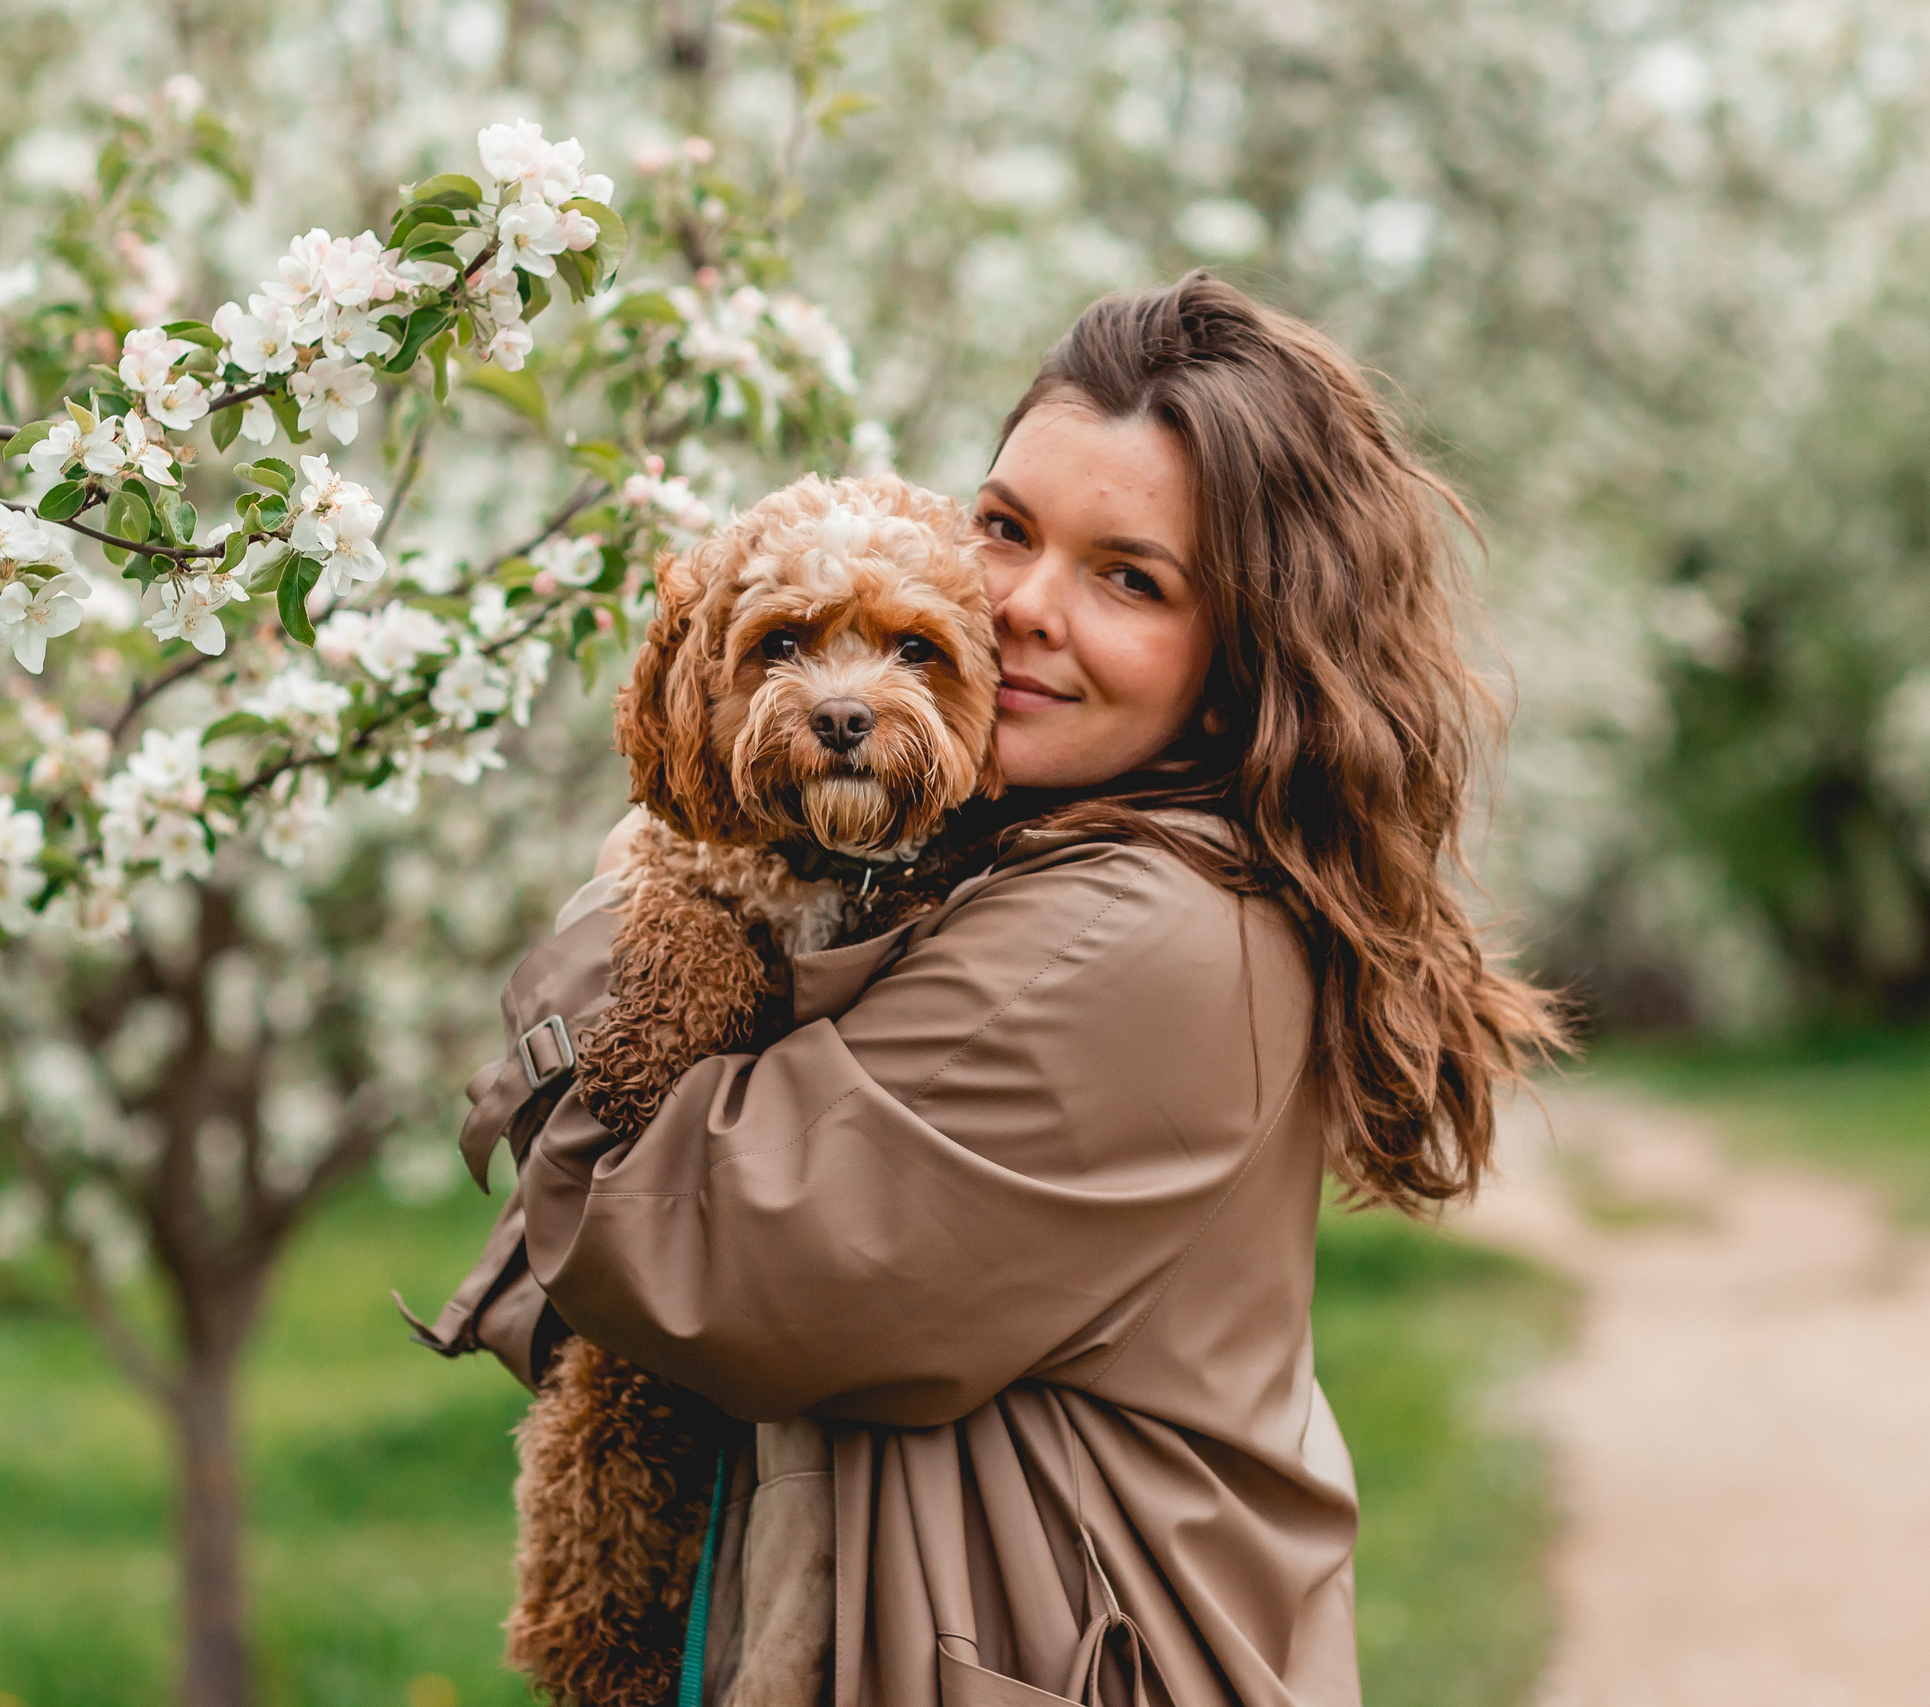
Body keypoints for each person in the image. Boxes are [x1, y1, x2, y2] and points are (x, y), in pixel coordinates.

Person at [411, 272, 1564, 1707]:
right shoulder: (1020, 851)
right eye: (1006, 528)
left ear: (1240, 660)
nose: (1019, 606)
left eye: (1130, 579)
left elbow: (683, 1254)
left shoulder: (1130, 934)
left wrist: (644, 883)